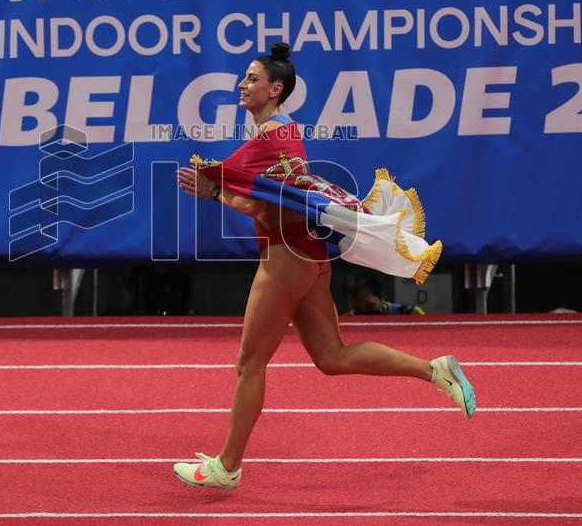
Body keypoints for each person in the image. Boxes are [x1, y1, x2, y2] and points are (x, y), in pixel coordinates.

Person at [173, 42, 474, 489]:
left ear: (275, 89)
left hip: (285, 260)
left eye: (252, 79)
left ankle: (226, 467)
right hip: (310, 256)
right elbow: (271, 200)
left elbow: (262, 210)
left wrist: (214, 190)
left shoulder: (269, 140)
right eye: (245, 77)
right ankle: (435, 370)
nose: (242, 84)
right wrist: (222, 189)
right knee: (332, 356)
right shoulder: (284, 135)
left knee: (250, 364)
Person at [346, 269, 425, 315]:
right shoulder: (343, 323)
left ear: (382, 297)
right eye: (356, 308)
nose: (364, 313)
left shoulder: (411, 314)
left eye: (369, 306)